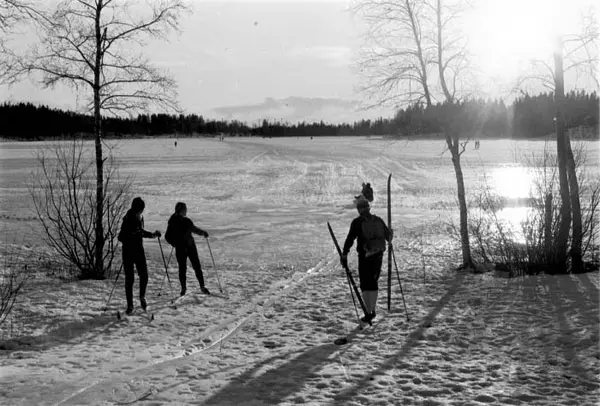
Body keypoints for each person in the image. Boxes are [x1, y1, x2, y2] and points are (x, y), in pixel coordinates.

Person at [341, 194, 392, 323]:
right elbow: (389, 237)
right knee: (373, 282)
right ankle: (372, 310)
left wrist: (344, 254)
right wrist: (390, 232)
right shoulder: (378, 220)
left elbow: (350, 239)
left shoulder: (357, 222)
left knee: (365, 283)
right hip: (378, 255)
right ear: (368, 208)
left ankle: (368, 311)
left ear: (359, 209)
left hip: (365, 257)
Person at [117, 197, 161, 315]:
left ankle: (141, 297)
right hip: (128, 252)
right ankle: (130, 304)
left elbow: (140, 232)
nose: (142, 211)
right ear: (137, 208)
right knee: (131, 278)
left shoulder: (139, 217)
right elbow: (121, 236)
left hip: (137, 251)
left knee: (143, 275)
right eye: (141, 209)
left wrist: (152, 235)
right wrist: (132, 235)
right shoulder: (128, 218)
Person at [165, 202, 211, 296]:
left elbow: (167, 236)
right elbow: (194, 229)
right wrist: (203, 233)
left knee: (184, 268)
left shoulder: (173, 221)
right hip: (188, 247)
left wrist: (174, 243)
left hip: (184, 247)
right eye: (185, 209)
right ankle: (200, 287)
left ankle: (185, 288)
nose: (186, 210)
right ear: (181, 210)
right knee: (195, 266)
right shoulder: (182, 221)